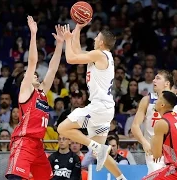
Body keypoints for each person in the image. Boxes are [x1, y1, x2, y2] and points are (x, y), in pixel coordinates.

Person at [57, 23, 127, 180]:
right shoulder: (100, 55)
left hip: (99, 107)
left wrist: (68, 39)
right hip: (105, 110)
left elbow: (70, 58)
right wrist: (78, 29)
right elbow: (77, 52)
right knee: (99, 151)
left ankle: (94, 145)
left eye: (97, 37)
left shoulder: (100, 54)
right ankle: (121, 178)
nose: (94, 38)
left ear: (101, 42)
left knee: (62, 128)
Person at [5, 16, 64, 180]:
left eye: (37, 75)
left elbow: (52, 69)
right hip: (23, 142)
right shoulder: (25, 91)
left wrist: (59, 44)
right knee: (15, 177)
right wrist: (33, 34)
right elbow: (32, 62)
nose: (36, 76)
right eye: (33, 76)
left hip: (37, 144)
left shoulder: (42, 92)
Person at [131, 70, 177, 174]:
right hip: (153, 150)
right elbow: (135, 126)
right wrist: (144, 142)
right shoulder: (147, 100)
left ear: (167, 83)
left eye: (158, 78)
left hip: (174, 152)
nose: (154, 80)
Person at [142, 91, 177, 180]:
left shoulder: (162, 123)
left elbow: (156, 155)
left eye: (158, 99)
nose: (155, 101)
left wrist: (152, 139)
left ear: (162, 105)